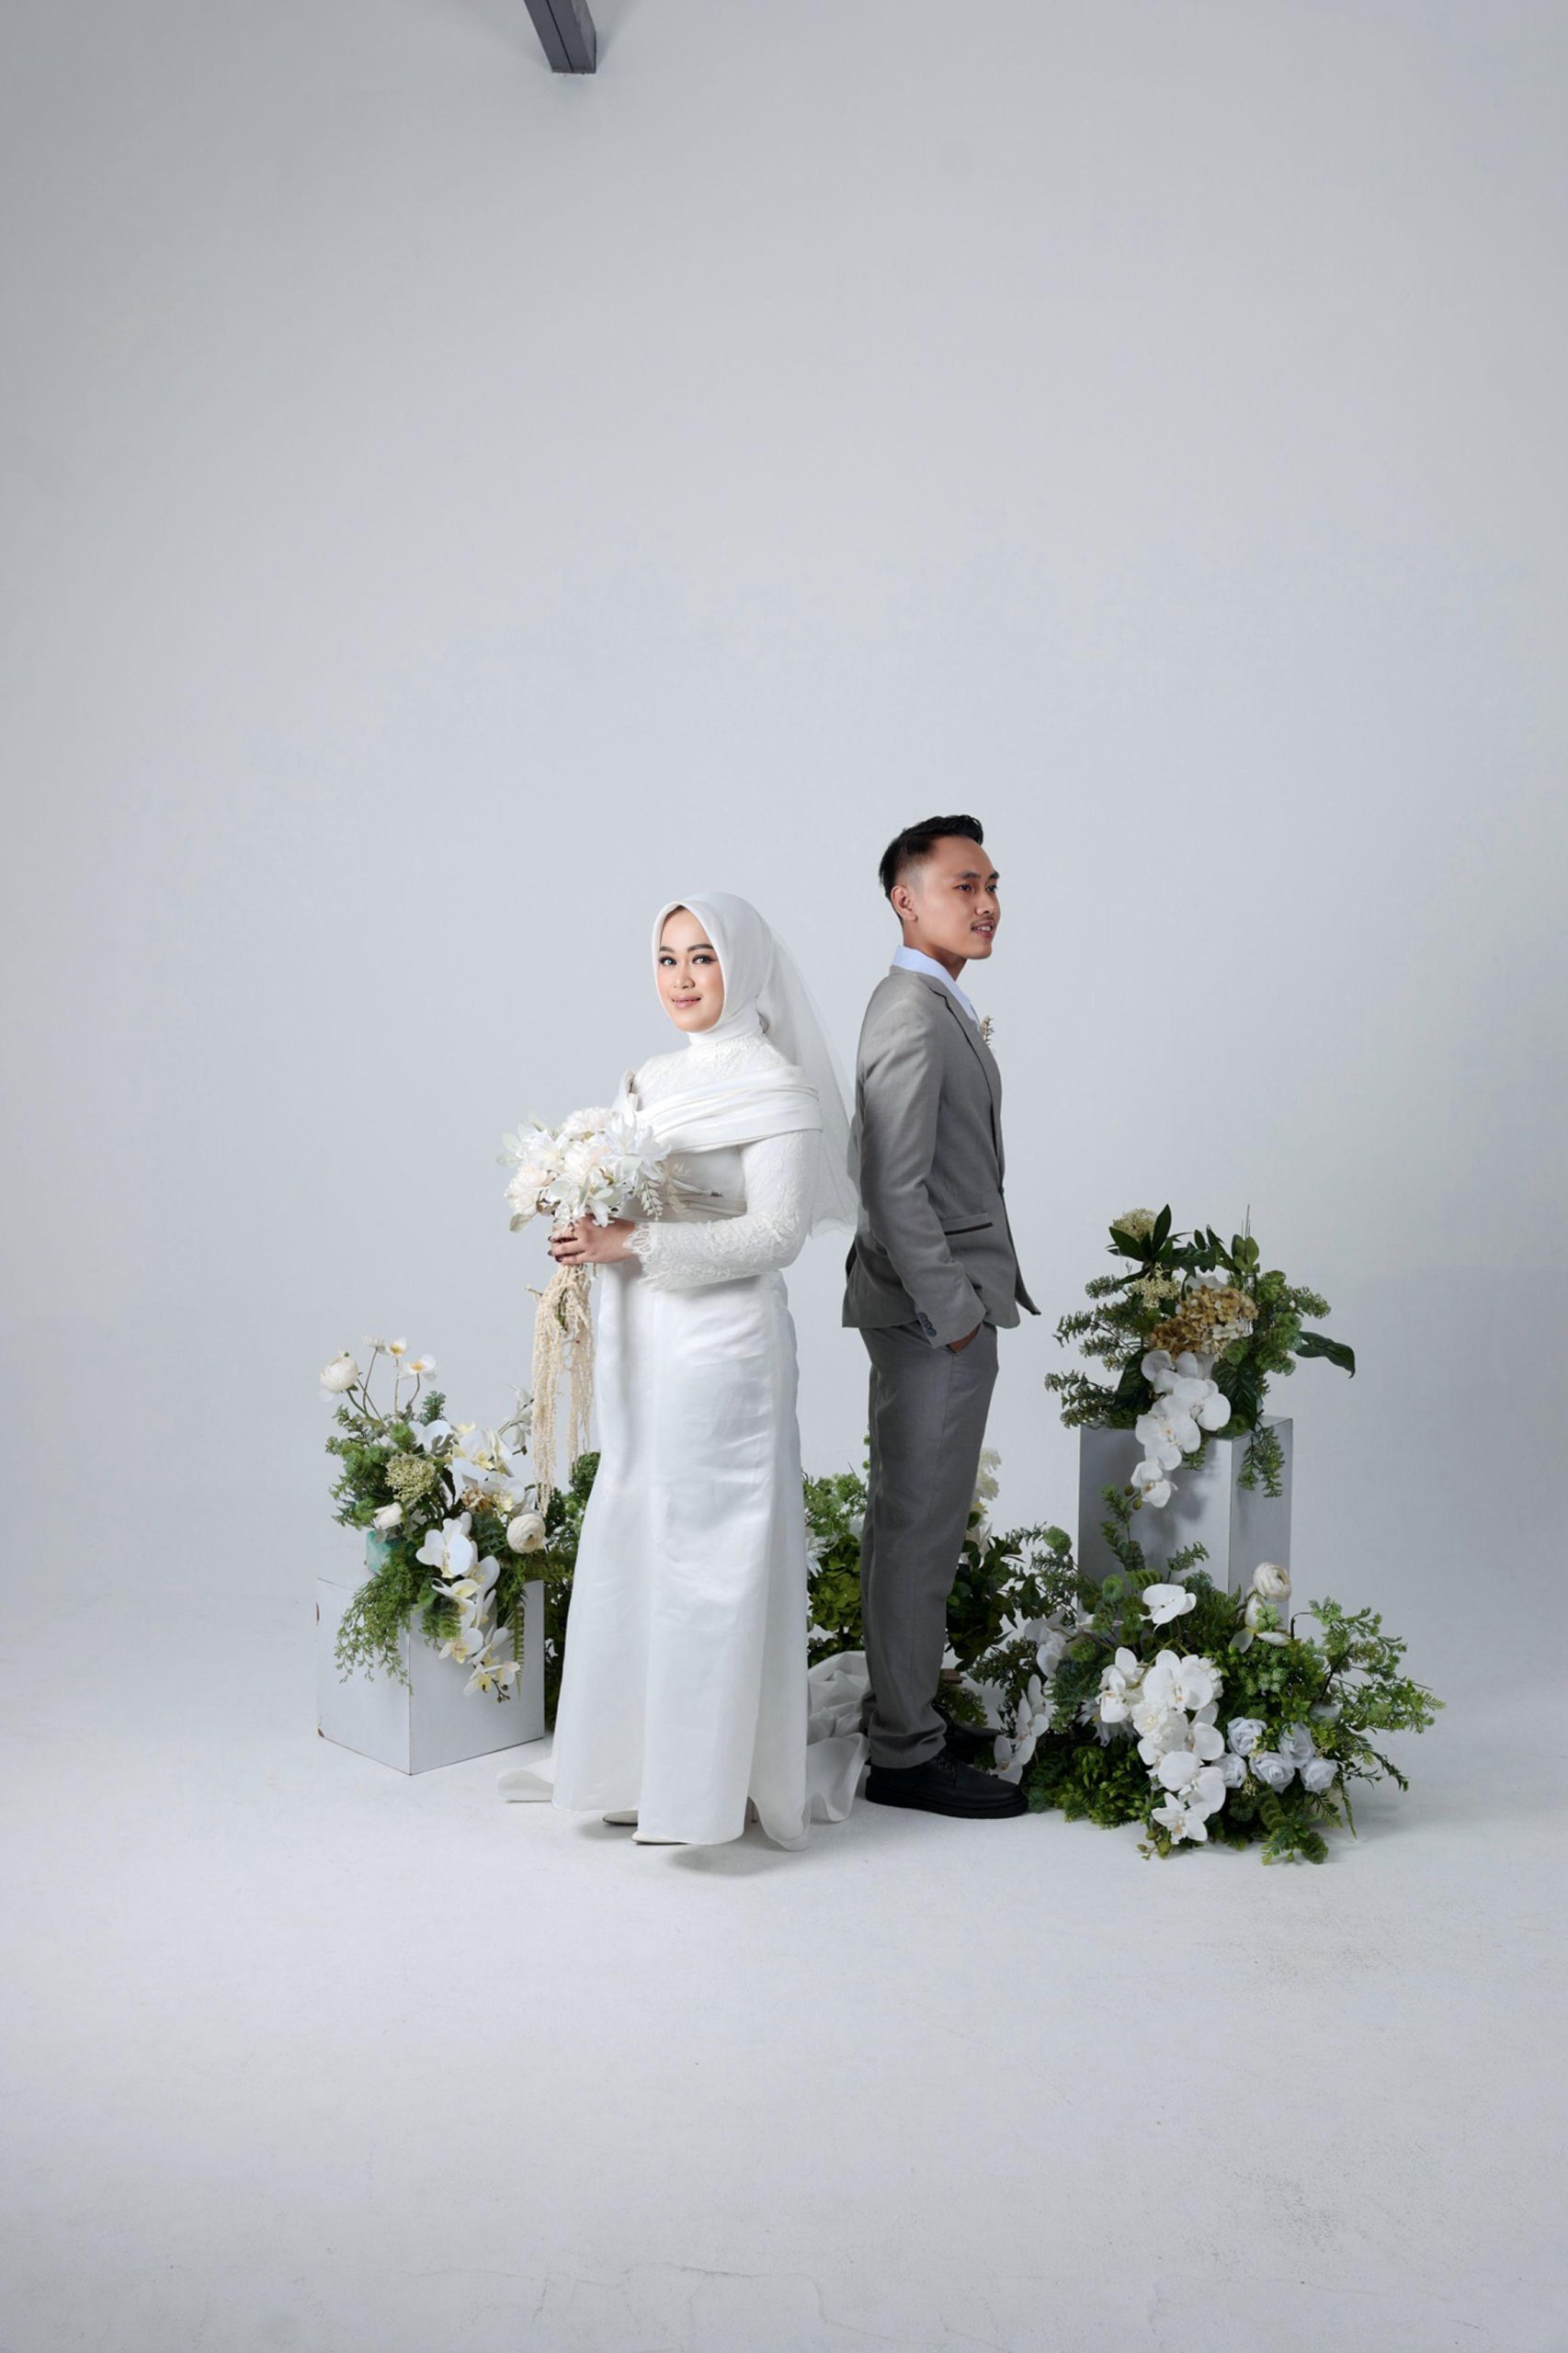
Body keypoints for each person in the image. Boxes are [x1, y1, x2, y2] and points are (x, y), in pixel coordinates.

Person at [497, 891, 866, 1848]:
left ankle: (704, 1788)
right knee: (637, 1527)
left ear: (742, 966)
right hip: (644, 1339)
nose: (682, 979)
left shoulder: (776, 1087)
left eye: (702, 957)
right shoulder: (649, 1078)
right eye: (666, 959)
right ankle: (630, 1767)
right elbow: (630, 1200)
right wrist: (584, 1224)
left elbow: (776, 1234)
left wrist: (630, 1241)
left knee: (711, 1545)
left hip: (725, 1346)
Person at [842, 814, 1040, 1820]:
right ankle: (905, 1754)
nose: (986, 902)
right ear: (905, 899)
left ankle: (903, 1712)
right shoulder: (912, 1013)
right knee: (918, 1528)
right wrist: (955, 1313)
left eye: (991, 884)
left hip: (934, 1312)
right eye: (964, 885)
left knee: (912, 1523)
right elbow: (891, 1189)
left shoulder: (932, 1002)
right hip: (932, 1318)